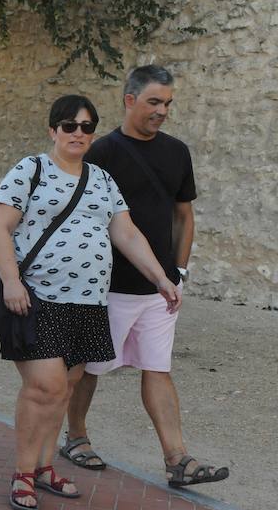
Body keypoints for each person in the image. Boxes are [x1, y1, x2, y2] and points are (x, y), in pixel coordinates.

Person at [0, 95, 181, 510]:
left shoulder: (101, 180)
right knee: (45, 387)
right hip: (38, 298)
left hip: (89, 304)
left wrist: (162, 278)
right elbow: (0, 226)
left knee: (64, 389)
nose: (79, 133)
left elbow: (127, 235)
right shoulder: (31, 169)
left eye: (87, 126)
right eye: (70, 126)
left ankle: (42, 468)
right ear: (53, 130)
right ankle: (23, 472)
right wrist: (10, 281)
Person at [64, 66, 230, 488]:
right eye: (154, 102)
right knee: (88, 368)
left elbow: (183, 214)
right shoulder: (101, 152)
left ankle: (178, 460)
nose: (162, 111)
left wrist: (179, 271)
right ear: (130, 99)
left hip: (161, 289)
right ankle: (76, 438)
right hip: (109, 287)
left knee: (157, 368)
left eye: (168, 103)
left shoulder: (177, 153)